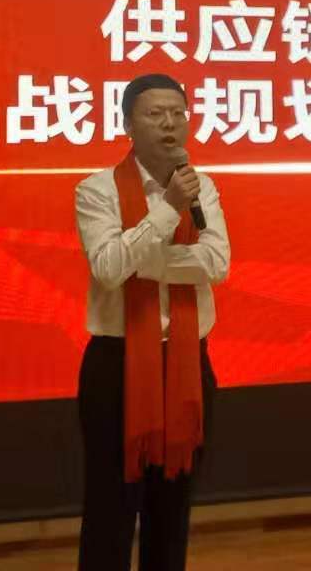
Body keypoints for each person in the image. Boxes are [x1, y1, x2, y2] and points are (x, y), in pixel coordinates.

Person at [74, 73, 231, 571]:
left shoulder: (203, 186)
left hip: (186, 365)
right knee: (111, 508)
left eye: (178, 113)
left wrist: (141, 261)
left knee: (172, 508)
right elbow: (107, 269)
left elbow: (216, 263)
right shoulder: (96, 189)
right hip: (116, 368)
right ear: (127, 124)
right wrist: (167, 211)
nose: (169, 124)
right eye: (155, 114)